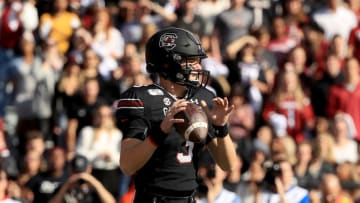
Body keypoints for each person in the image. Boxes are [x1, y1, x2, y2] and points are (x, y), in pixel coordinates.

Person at [114, 27, 237, 203]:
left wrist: (221, 127)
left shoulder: (203, 98)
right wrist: (161, 131)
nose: (198, 66)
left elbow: (228, 164)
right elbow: (127, 165)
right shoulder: (143, 98)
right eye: (191, 61)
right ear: (168, 63)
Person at [48, 154, 116, 203]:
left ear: (89, 169)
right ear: (70, 170)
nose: (79, 176)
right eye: (76, 172)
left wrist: (94, 182)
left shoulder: (94, 189)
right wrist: (66, 186)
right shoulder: (63, 187)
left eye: (82, 172)